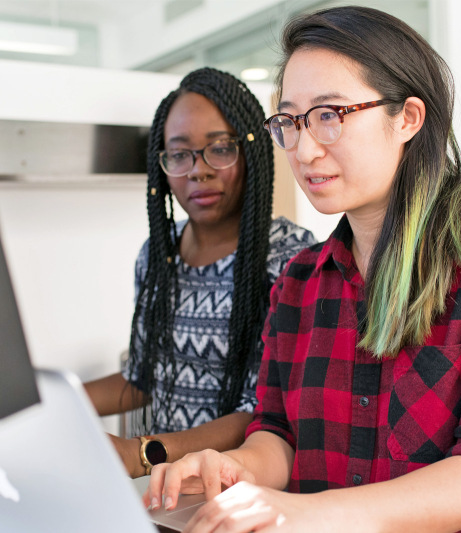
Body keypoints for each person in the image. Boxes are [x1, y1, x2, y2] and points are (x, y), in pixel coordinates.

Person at [145, 7, 461, 533]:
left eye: (330, 114)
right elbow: (279, 433)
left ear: (407, 118)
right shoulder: (300, 281)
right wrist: (238, 466)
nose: (305, 149)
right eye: (289, 121)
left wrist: (306, 511)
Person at [84, 67, 316, 479]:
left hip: (243, 489)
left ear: (251, 152)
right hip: (166, 489)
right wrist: (47, 404)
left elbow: (264, 412)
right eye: (179, 154)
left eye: (220, 148)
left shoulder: (289, 259)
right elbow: (142, 377)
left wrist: (142, 454)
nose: (199, 170)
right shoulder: (158, 254)